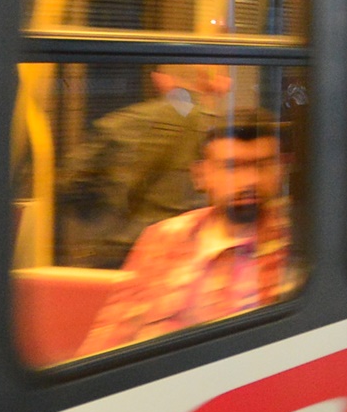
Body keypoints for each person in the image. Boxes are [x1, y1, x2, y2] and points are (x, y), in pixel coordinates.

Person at [81, 115, 295, 353]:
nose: (250, 181)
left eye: (263, 166)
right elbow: (110, 337)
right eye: (232, 167)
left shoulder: (295, 244)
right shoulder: (162, 238)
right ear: (201, 176)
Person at [70, 64, 232, 266]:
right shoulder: (223, 133)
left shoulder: (124, 121)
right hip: (191, 251)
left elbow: (73, 181)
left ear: (160, 79)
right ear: (208, 81)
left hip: (122, 251)